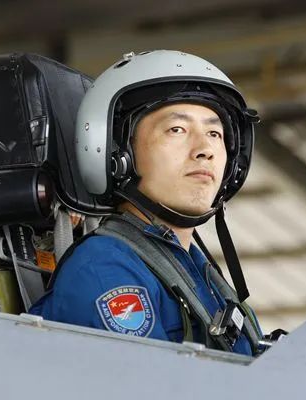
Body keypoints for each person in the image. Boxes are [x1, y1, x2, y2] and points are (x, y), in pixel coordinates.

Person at [30, 50, 264, 356]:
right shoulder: (104, 268)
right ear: (118, 153)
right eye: (177, 130)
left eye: (214, 133)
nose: (205, 149)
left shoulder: (203, 276)